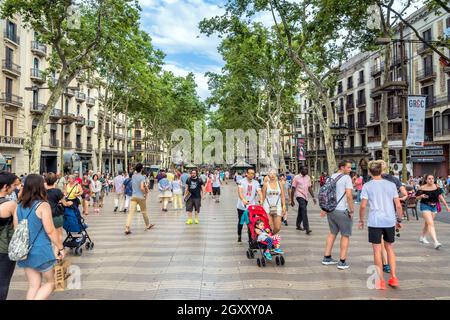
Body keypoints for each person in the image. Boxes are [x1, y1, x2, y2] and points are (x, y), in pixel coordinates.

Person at [13, 174, 65, 300]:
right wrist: (60, 248)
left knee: (33, 286)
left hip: (25, 251)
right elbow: (51, 230)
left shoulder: (18, 206)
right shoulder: (43, 205)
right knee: (51, 283)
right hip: (41, 251)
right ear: (40, 187)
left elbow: (16, 229)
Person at [359, 161, 403, 289]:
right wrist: (399, 221)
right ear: (381, 170)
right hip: (389, 221)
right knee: (389, 248)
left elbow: (362, 206)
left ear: (369, 172)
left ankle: (381, 281)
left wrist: (361, 220)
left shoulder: (367, 186)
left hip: (375, 221)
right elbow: (398, 205)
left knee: (377, 250)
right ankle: (394, 277)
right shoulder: (391, 185)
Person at [320, 160, 354, 270]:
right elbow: (349, 196)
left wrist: (325, 209)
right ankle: (342, 261)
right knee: (345, 235)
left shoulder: (331, 177)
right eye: (348, 167)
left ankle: (327, 257)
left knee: (332, 233)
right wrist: (352, 210)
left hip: (331, 210)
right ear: (342, 167)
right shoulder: (346, 178)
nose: (350, 170)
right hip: (342, 210)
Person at [416, 174, 449, 249]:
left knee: (427, 223)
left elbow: (440, 197)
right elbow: (416, 197)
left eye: (432, 178)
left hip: (434, 207)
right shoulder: (422, 188)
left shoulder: (437, 187)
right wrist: (421, 196)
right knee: (431, 223)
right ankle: (436, 242)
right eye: (429, 179)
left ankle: (423, 237)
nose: (431, 180)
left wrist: (446, 206)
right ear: (426, 180)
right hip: (425, 205)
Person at [0, 172, 19, 300]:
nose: (15, 188)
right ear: (5, 186)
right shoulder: (11, 204)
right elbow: (17, 228)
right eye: (13, 185)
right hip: (4, 248)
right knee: (3, 281)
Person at [45, 173, 73, 251]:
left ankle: (49, 252)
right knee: (58, 233)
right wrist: (69, 203)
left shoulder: (42, 191)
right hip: (56, 214)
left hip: (45, 215)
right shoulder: (57, 191)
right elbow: (65, 203)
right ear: (55, 180)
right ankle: (57, 252)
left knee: (47, 234)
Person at [125, 164, 154, 235]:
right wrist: (144, 193)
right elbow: (141, 187)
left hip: (133, 196)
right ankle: (148, 225)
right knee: (144, 211)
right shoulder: (142, 177)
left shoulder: (133, 176)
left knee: (130, 213)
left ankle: (127, 227)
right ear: (141, 169)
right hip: (140, 197)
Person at [237, 168, 262, 242]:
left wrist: (261, 199)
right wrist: (243, 200)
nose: (251, 175)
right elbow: (240, 193)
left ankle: (250, 239)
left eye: (253, 173)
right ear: (246, 174)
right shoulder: (241, 182)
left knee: (251, 223)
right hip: (241, 206)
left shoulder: (256, 183)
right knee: (241, 222)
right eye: (250, 173)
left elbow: (259, 192)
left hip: (252, 207)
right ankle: (239, 235)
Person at [291, 166, 316, 235]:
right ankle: (307, 228)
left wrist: (313, 197)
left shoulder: (308, 177)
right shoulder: (296, 177)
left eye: (307, 169)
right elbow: (293, 189)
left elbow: (309, 187)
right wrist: (292, 200)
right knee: (304, 210)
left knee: (301, 211)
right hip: (299, 195)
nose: (306, 171)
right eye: (305, 169)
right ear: (301, 170)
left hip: (305, 197)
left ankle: (298, 225)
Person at [261, 169, 287, 235]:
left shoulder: (280, 184)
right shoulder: (265, 184)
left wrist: (284, 205)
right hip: (267, 206)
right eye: (271, 173)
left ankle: (270, 236)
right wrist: (261, 206)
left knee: (278, 227)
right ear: (268, 175)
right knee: (270, 226)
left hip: (277, 206)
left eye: (274, 174)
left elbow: (283, 196)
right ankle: (271, 242)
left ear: (276, 175)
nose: (272, 175)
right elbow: (263, 197)